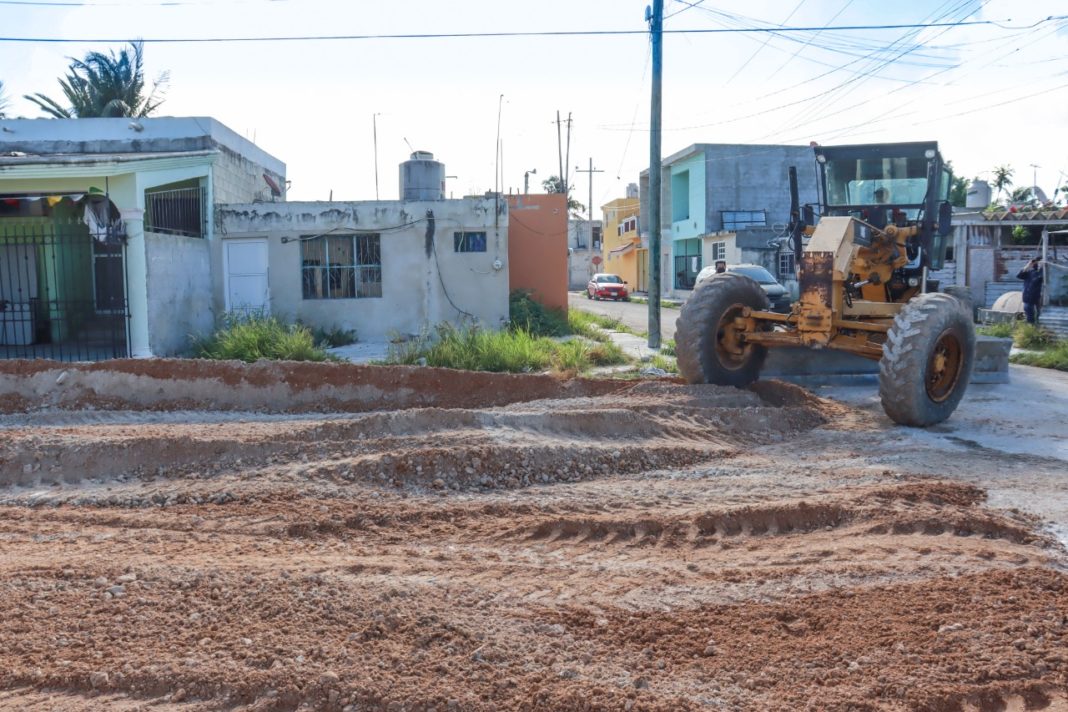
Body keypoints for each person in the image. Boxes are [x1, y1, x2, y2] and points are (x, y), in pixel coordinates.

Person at [1017, 257, 1044, 324]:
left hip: (1038, 298)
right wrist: (1028, 265)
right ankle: (1031, 328)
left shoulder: (1043, 272)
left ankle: (1038, 328)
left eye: (1039, 262)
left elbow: (1041, 279)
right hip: (1028, 298)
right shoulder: (1030, 272)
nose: (1037, 263)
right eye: (1036, 262)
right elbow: (1019, 276)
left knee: (1039, 316)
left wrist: (1042, 266)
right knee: (1029, 317)